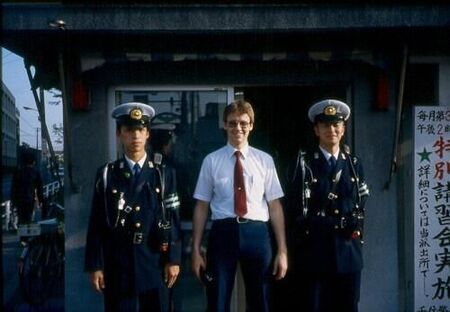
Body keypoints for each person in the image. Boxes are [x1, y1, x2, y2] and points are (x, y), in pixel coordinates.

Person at [191, 99, 288, 312]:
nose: (238, 128)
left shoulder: (264, 161)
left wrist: (282, 250)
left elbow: (275, 206)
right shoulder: (212, 161)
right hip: (223, 233)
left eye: (244, 123)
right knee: (217, 300)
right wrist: (196, 249)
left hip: (257, 234)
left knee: (260, 301)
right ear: (224, 125)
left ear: (251, 125)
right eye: (233, 123)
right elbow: (201, 206)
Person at [84, 102, 182, 312]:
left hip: (154, 261)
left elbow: (173, 218)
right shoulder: (107, 174)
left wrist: (173, 259)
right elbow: (96, 223)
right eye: (129, 130)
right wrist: (95, 265)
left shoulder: (163, 174)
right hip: (118, 263)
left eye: (140, 130)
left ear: (147, 134)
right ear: (119, 134)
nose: (135, 136)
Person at [286, 99, 370, 312]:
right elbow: (294, 209)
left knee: (348, 306)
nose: (331, 130)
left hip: (348, 252)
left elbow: (360, 204)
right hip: (315, 252)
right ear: (316, 130)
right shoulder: (305, 165)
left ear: (343, 129)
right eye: (325, 125)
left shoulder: (354, 164)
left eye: (336, 125)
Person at [11, 150, 44, 225]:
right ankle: (27, 233)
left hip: (19, 200)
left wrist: (13, 201)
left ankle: (22, 233)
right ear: (33, 162)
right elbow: (40, 188)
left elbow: (14, 188)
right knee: (28, 218)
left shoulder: (18, 172)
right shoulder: (35, 173)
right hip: (30, 199)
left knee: (21, 218)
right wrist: (41, 200)